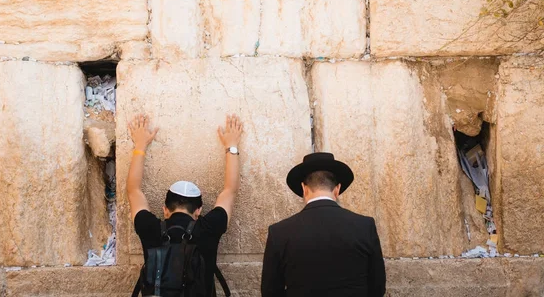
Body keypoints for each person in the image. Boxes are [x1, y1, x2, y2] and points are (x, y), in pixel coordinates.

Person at [127, 113, 243, 297]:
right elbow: (230, 190)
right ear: (198, 211)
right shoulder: (209, 228)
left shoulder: (150, 228)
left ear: (165, 210)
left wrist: (140, 145)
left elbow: (133, 191)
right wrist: (232, 146)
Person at [261, 152, 386, 297]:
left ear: (304, 189)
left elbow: (270, 291)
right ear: (337, 189)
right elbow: (377, 287)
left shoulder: (279, 232)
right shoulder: (365, 226)